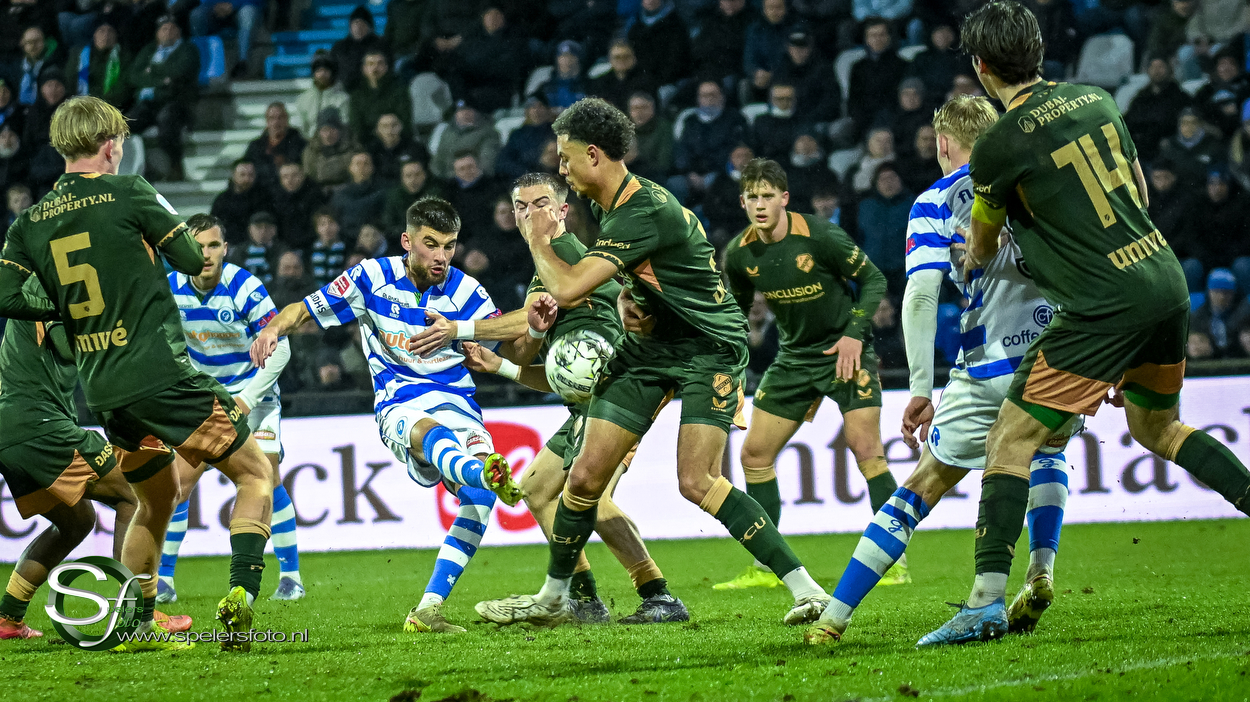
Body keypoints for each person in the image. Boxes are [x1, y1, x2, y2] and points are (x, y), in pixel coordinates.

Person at [920, 1, 1250, 647]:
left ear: (981, 67)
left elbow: (981, 247)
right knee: (1158, 427)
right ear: (1038, 49)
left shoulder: (998, 147)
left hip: (1101, 305)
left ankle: (984, 603)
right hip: (1163, 280)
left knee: (1010, 438)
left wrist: (975, 248)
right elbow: (1139, 194)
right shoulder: (1096, 100)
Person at [474, 98, 831, 627]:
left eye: (566, 157)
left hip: (709, 346)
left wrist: (535, 238)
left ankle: (808, 591)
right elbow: (646, 274)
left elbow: (567, 287)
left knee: (697, 480)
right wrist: (629, 299)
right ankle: (554, 599)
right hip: (650, 347)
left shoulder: (642, 209)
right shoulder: (610, 207)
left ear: (593, 155)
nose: (561, 167)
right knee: (583, 478)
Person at [0, 95, 274, 652]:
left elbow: (5, 295)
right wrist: (162, 216)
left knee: (155, 499)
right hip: (161, 375)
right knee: (255, 474)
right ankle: (241, 598)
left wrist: (64, 309)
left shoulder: (29, 222)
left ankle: (140, 619)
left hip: (104, 393)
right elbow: (193, 261)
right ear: (111, 145)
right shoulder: (129, 191)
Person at [804, 94, 1080, 646]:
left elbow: (921, 296)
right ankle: (1040, 570)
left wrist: (920, 387)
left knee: (921, 486)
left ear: (945, 143)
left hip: (987, 365)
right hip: (1057, 356)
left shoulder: (935, 201)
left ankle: (834, 616)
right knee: (1045, 451)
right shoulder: (1040, 183)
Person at [250, 197, 530, 633]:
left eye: (449, 246)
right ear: (407, 241)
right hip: (400, 403)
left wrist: (529, 325)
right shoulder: (370, 278)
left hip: (460, 404)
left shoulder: (467, 292)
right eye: (431, 244)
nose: (441, 257)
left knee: (479, 502)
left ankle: (428, 609)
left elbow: (513, 334)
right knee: (436, 435)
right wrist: (271, 328)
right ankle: (483, 472)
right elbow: (302, 309)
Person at [437, 172, 691, 624]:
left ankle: (658, 596)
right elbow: (552, 370)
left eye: (540, 204)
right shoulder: (546, 270)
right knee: (537, 490)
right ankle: (586, 601)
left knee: (592, 498)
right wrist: (505, 362)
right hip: (586, 405)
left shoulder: (570, 257)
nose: (529, 214)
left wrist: (459, 328)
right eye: (520, 207)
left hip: (617, 399)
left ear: (562, 211)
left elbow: (524, 323)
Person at [719, 157, 898, 591]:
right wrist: (729, 364)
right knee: (754, 456)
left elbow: (874, 280)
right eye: (752, 197)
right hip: (794, 359)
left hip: (845, 352)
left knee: (867, 449)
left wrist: (855, 334)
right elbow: (736, 313)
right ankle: (766, 567)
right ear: (742, 202)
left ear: (784, 198)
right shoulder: (739, 254)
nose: (760, 205)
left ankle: (893, 559)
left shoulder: (820, 236)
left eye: (768, 196)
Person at [0, 283, 159, 642]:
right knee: (133, 496)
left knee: (77, 521)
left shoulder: (46, 284)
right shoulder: (49, 281)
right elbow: (67, 345)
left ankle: (8, 618)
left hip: (15, 429)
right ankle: (135, 616)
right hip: (38, 425)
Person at [160, 214, 305, 603]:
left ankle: (291, 577)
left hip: (253, 393)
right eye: (198, 247)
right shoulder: (169, 287)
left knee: (267, 476)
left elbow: (281, 349)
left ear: (225, 249)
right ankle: (164, 581)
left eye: (213, 245)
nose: (206, 254)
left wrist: (246, 399)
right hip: (203, 397)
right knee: (178, 484)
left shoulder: (244, 286)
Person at [126, 14, 199, 181]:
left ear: (179, 32)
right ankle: (145, 167)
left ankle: (176, 165)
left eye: (172, 29)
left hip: (176, 101)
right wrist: (162, 80)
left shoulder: (188, 50)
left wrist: (151, 72)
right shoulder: (148, 50)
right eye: (164, 29)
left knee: (166, 124)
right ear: (157, 33)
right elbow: (133, 76)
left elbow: (179, 73)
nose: (168, 32)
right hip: (148, 103)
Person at [348, 50, 411, 145]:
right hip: (368, 144)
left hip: (397, 143)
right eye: (371, 64)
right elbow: (356, 127)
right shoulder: (356, 96)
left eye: (380, 63)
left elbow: (405, 123)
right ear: (364, 69)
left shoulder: (399, 91)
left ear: (386, 67)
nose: (375, 68)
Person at [66, 19, 132, 109]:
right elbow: (70, 81)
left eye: (110, 31)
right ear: (94, 35)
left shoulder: (124, 58)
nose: (106, 35)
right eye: (101, 31)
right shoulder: (78, 56)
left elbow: (124, 87)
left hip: (110, 108)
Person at [244, 103, 307, 191]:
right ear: (267, 121)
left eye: (280, 118)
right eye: (272, 118)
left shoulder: (300, 144)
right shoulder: (256, 146)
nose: (276, 122)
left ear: (287, 119)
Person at [190, 0, 260, 79]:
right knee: (196, 15)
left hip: (243, 6)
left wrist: (233, 5)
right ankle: (200, 63)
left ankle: (243, 63)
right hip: (214, 8)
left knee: (247, 13)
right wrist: (215, 5)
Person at [211, 158, 273, 245]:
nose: (247, 179)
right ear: (233, 175)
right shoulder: (222, 200)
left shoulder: (264, 198)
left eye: (250, 175)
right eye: (242, 175)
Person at [330, 5, 386, 93]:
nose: (358, 28)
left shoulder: (380, 46)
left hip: (372, 91)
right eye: (355, 24)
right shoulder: (340, 47)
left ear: (369, 26)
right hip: (344, 91)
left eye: (362, 24)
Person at [296, 53, 350, 137]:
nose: (322, 74)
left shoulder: (343, 99)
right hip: (310, 142)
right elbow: (302, 128)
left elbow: (345, 126)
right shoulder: (304, 99)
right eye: (319, 71)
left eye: (326, 71)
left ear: (332, 73)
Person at [271, 163, 322, 251]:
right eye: (285, 177)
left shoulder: (315, 196)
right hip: (283, 248)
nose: (290, 180)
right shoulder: (275, 199)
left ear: (303, 176)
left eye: (294, 175)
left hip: (310, 246)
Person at [302, 108, 359, 187]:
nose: (328, 135)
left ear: (340, 129)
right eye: (324, 130)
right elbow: (309, 175)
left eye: (332, 129)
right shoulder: (311, 150)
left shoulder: (352, 145)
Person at [383, 160, 442, 233]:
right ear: (402, 178)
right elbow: (389, 226)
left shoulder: (435, 195)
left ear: (424, 175)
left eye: (417, 175)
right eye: (408, 176)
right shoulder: (394, 197)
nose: (413, 180)